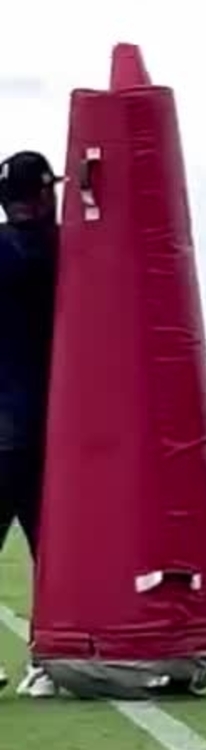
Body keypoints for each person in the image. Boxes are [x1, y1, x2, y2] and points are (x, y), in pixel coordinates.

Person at [0, 151, 60, 699]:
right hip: (47, 421)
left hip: (7, 417)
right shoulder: (62, 249)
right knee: (54, 548)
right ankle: (50, 657)